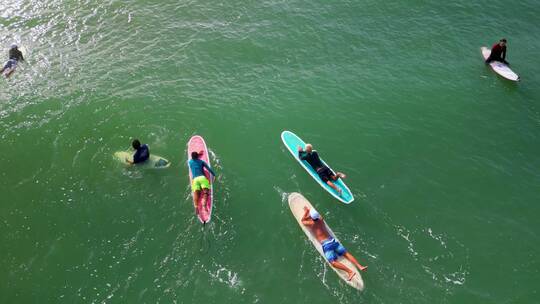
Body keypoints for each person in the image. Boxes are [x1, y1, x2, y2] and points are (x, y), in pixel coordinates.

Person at [302, 206, 367, 280]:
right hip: (333, 241)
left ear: (311, 217)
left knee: (333, 262)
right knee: (346, 253)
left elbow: (302, 221)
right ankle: (360, 266)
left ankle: (350, 272)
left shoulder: (311, 223)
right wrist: (312, 214)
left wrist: (306, 212)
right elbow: (318, 216)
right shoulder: (321, 220)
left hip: (327, 245)